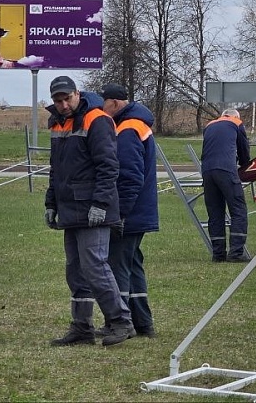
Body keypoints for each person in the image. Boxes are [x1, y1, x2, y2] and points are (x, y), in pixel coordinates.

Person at [44, 76, 136, 347]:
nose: (62, 105)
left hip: (94, 207)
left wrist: (101, 204)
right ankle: (82, 326)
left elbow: (109, 167)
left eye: (66, 98)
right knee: (75, 269)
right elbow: (56, 169)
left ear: (77, 93)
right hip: (70, 207)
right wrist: (51, 203)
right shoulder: (57, 122)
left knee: (95, 266)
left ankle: (121, 321)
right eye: (57, 100)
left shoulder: (97, 120)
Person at [98, 83, 159, 338]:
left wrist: (120, 213)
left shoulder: (127, 129)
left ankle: (120, 322)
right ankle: (143, 323)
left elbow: (129, 176)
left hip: (130, 212)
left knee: (117, 266)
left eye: (103, 104)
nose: (101, 109)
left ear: (113, 103)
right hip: (141, 210)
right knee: (132, 264)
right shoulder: (137, 123)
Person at [201, 109, 252, 262]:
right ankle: (236, 253)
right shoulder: (237, 123)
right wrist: (245, 167)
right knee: (238, 210)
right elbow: (243, 149)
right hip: (226, 170)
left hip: (207, 171)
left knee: (215, 213)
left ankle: (218, 254)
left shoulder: (209, 125)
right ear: (235, 116)